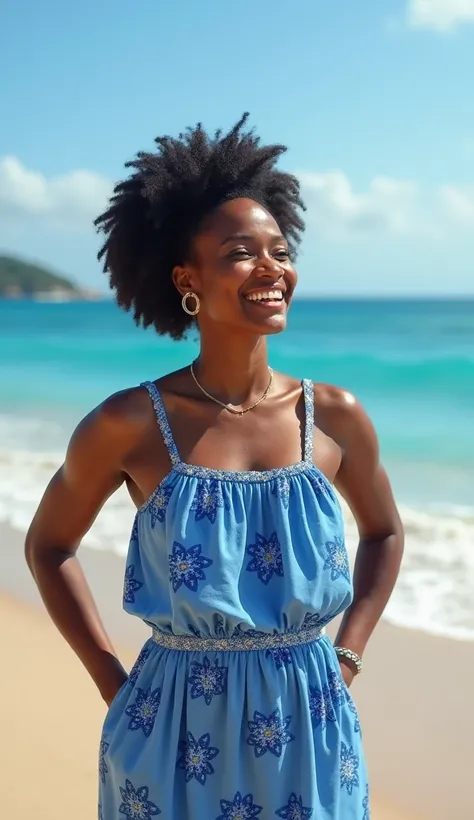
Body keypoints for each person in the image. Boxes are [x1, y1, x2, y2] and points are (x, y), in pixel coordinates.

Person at [25, 114, 403, 819]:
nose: (271, 268)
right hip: (172, 728)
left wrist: (347, 655)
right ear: (187, 279)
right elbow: (48, 546)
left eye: (279, 250)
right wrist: (114, 679)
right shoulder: (130, 423)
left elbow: (384, 532)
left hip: (310, 724)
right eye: (240, 252)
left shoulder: (335, 416)